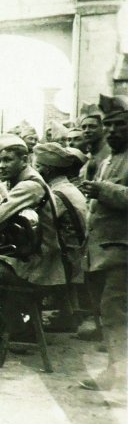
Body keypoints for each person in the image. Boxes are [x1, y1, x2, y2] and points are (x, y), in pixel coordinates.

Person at [0, 135, 66, 348]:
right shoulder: (23, 181)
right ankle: (5, 328)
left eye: (8, 160)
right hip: (34, 256)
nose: (1, 166)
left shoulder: (29, 186)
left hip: (40, 263)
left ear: (25, 159)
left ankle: (11, 328)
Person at [78, 96, 128, 391]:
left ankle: (120, 378)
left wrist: (103, 189)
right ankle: (115, 369)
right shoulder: (109, 158)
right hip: (102, 251)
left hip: (123, 250)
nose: (111, 131)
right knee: (109, 314)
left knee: (115, 313)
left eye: (119, 125)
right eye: (107, 126)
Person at [32, 143, 88, 333]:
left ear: (47, 169)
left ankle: (24, 323)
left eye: (37, 166)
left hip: (67, 257)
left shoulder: (55, 194)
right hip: (77, 251)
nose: (35, 171)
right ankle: (67, 314)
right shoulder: (69, 188)